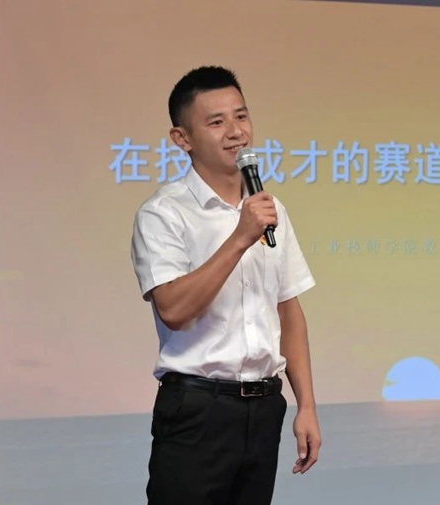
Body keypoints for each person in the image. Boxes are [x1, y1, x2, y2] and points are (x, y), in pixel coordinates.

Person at [130, 65, 321, 505]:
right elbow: (173, 310)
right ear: (182, 138)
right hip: (198, 410)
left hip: (264, 407)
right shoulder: (164, 213)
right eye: (216, 122)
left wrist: (306, 406)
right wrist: (239, 238)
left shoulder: (270, 209)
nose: (236, 132)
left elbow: (288, 311)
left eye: (241, 116)